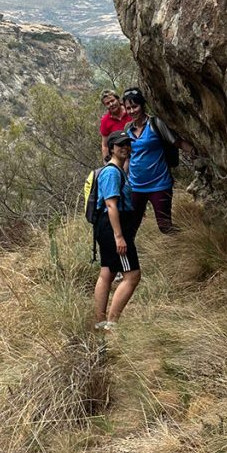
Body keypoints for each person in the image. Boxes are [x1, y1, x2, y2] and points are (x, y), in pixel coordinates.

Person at [121, 87, 196, 234]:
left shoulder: (155, 124)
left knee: (165, 227)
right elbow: (128, 157)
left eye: (134, 106)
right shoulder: (128, 128)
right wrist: (124, 180)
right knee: (130, 228)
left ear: (142, 105)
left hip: (159, 184)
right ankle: (128, 257)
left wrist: (194, 151)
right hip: (136, 186)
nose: (132, 111)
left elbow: (177, 142)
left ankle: (188, 241)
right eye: (128, 108)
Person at [93, 130, 141, 330]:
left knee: (108, 272)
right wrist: (119, 236)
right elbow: (111, 205)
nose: (125, 147)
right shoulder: (112, 172)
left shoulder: (117, 170)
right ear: (111, 148)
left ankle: (99, 321)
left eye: (127, 144)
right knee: (132, 275)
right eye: (120, 144)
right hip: (114, 227)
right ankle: (111, 324)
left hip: (107, 227)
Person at [99, 90, 128, 162]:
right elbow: (105, 145)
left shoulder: (130, 110)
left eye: (112, 100)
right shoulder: (105, 121)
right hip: (122, 157)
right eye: (107, 103)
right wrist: (107, 163)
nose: (111, 104)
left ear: (118, 99)